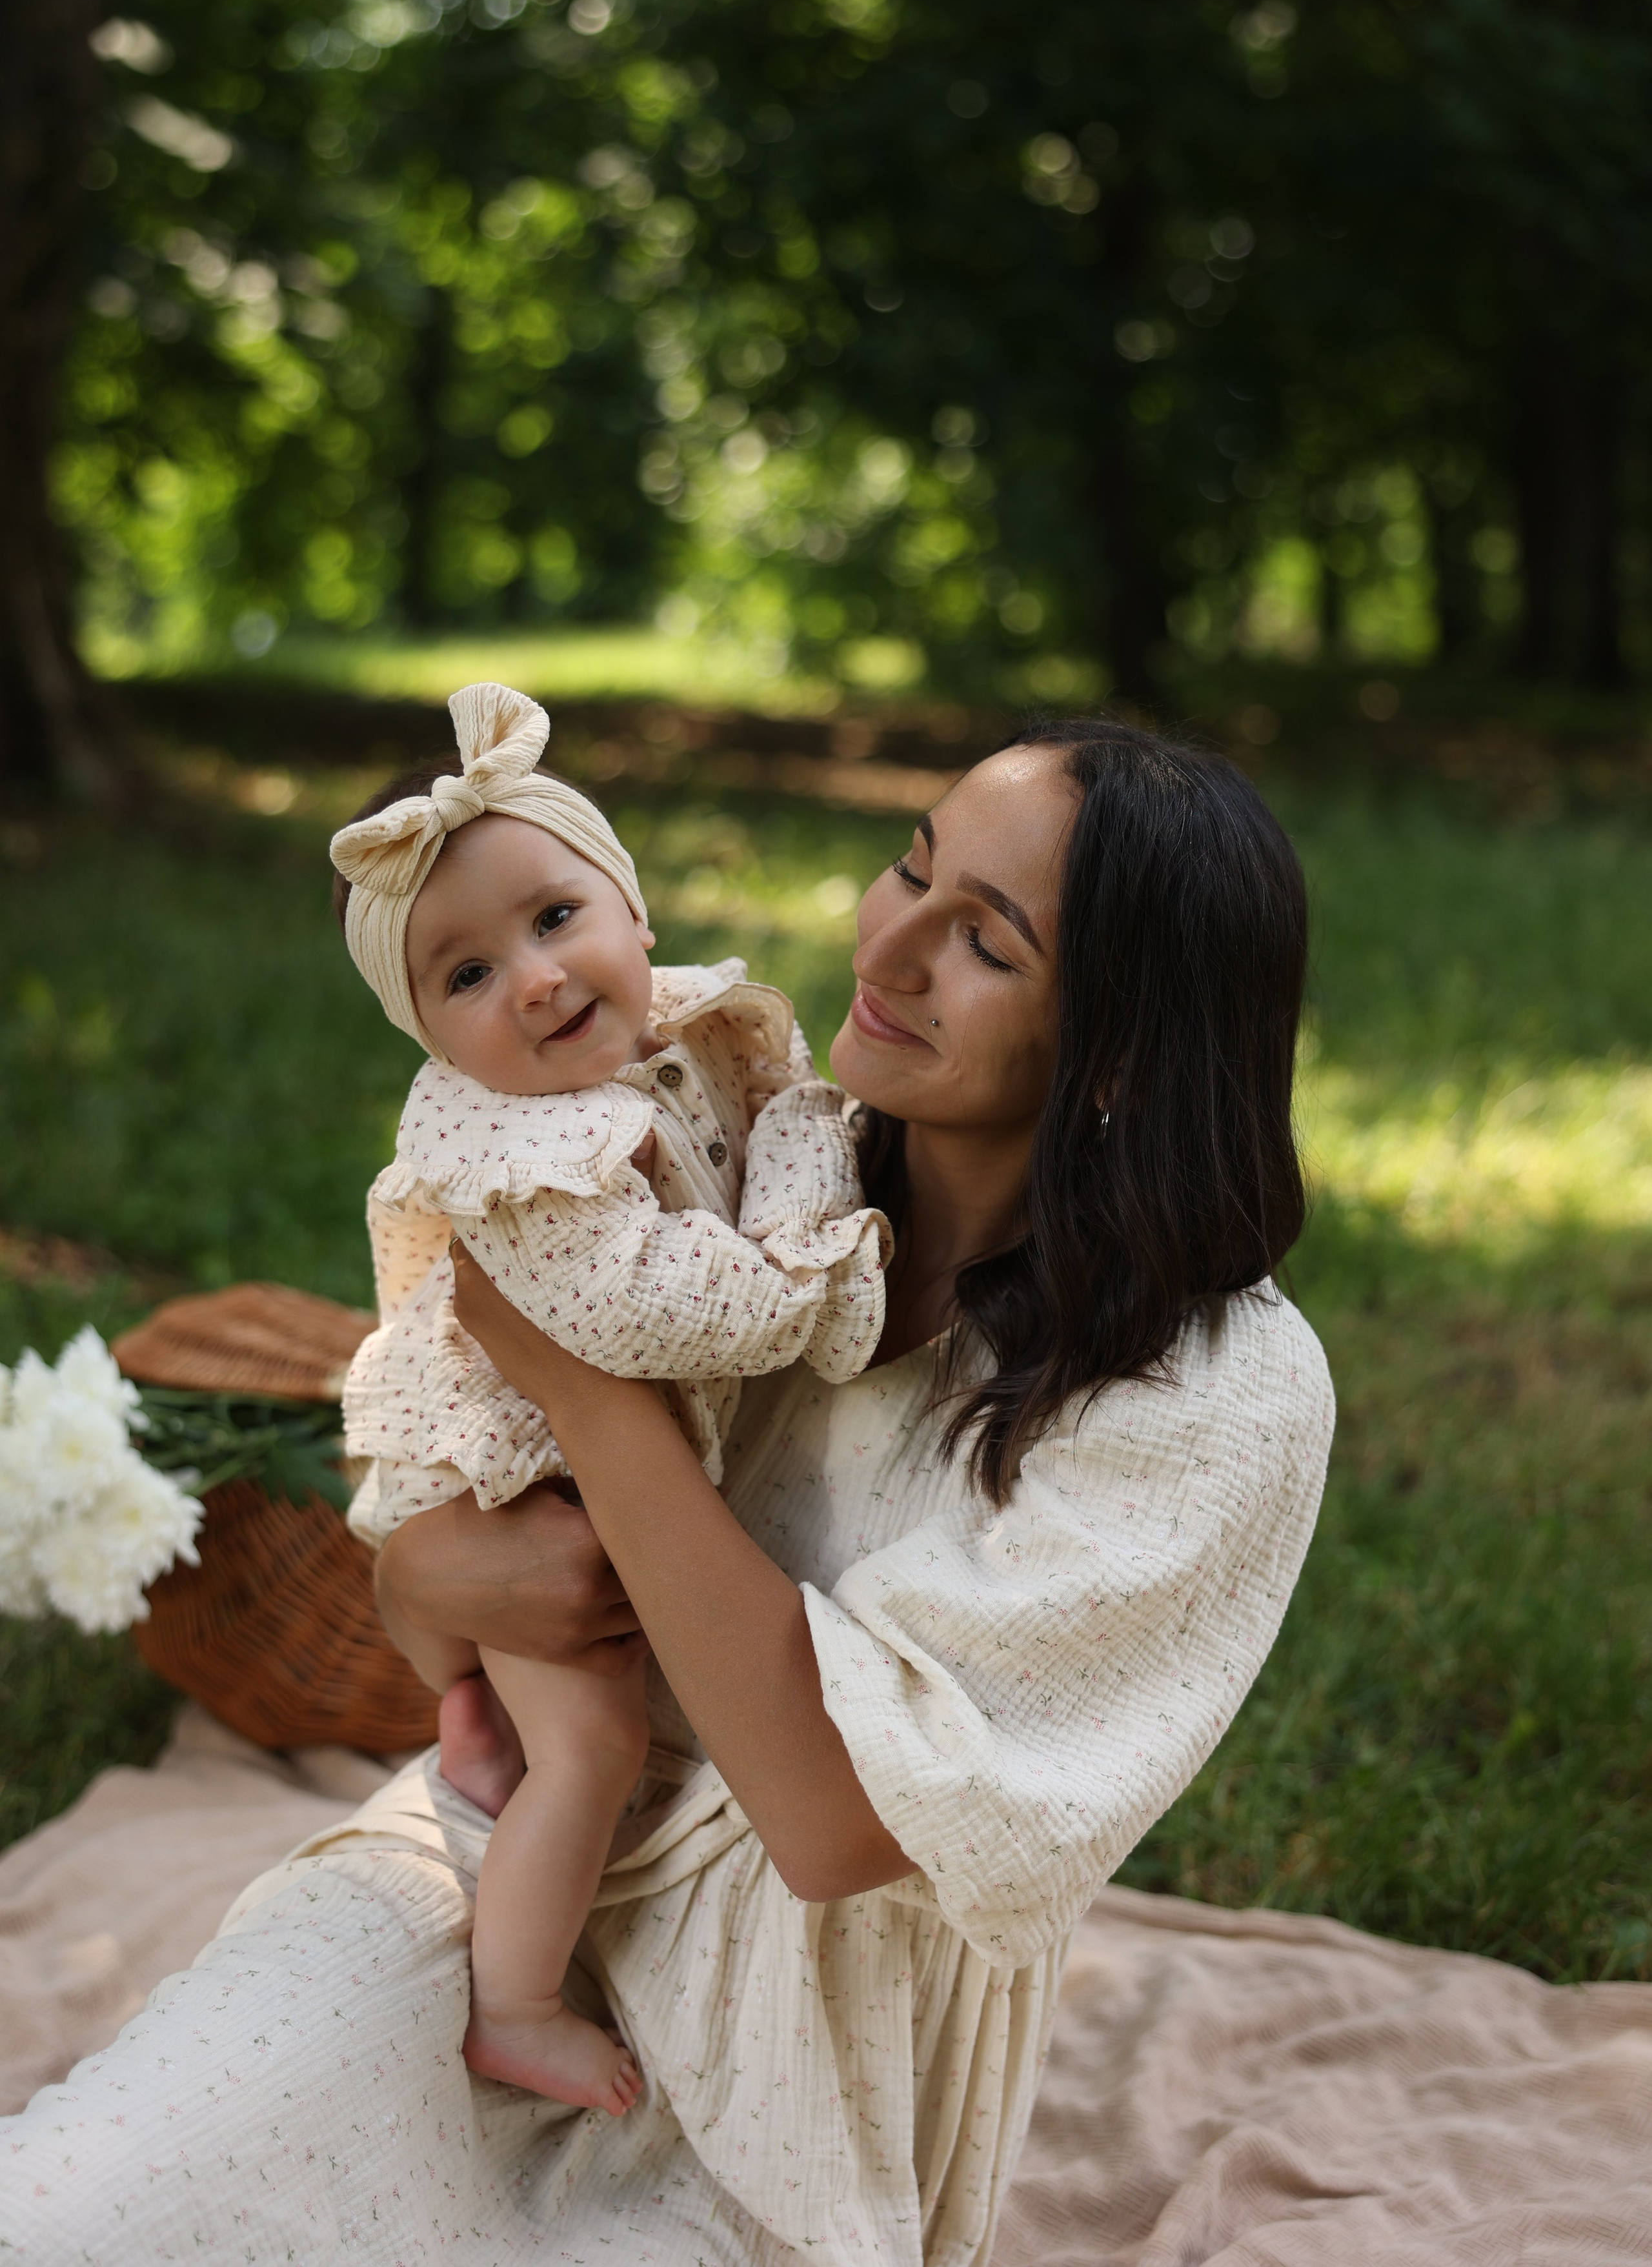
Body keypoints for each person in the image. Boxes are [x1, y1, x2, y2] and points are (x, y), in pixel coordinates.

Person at [0, 716, 1335, 2267]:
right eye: (908, 864)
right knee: (74, 2210)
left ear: (1114, 1051)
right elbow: (447, 1568)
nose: (885, 946)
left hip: (800, 2058)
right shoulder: (747, 1149)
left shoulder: (1210, 1393)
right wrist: (419, 1580)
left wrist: (580, 1382)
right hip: (498, 1878)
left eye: (980, 939)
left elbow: (832, 1822)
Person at [329, 680, 887, 2116]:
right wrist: (817, 1182)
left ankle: (475, 1726)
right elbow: (716, 1312)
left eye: (553, 917)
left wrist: (791, 1135)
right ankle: (511, 2003)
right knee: (597, 1745)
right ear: (431, 1042)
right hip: (515, 1479)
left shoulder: (682, 1032)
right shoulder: (528, 1166)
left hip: (586, 1465)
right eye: (461, 977)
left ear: (633, 912)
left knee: (571, 1705)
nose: (528, 977)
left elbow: (761, 1107)